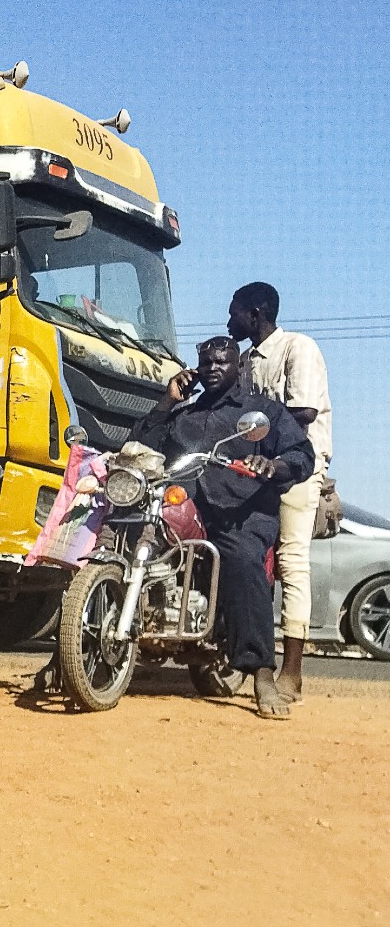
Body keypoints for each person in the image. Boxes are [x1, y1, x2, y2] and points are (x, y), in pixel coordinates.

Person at [130, 336, 313, 718]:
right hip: (186, 508)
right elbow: (139, 445)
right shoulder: (186, 415)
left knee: (245, 562)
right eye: (206, 363)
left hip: (240, 512)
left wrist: (272, 466)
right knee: (123, 531)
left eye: (222, 362)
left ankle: (262, 673)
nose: (213, 368)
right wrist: (169, 399)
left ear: (238, 367)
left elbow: (301, 455)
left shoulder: (262, 412)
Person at [228, 281, 333, 705]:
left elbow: (304, 411)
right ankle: (250, 658)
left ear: (255, 313)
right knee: (249, 557)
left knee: (290, 560)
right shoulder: (248, 360)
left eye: (233, 311)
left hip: (296, 467)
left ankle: (292, 670)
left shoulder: (297, 348)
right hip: (258, 470)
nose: (229, 320)